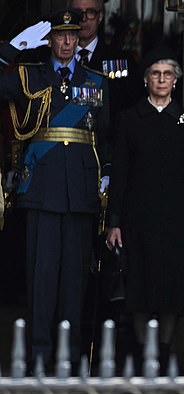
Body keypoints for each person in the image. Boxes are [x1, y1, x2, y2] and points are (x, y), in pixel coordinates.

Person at [0, 10, 111, 363]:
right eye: (60, 36)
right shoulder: (28, 75)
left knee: (75, 282)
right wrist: (12, 48)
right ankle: (39, 356)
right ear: (49, 40)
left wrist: (105, 174)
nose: (66, 42)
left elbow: (105, 136)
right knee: (42, 279)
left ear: (79, 38)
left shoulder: (96, 80)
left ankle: (69, 358)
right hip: (43, 189)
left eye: (72, 35)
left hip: (80, 190)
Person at [105, 46, 184, 358]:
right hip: (138, 220)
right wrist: (114, 222)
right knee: (138, 291)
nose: (161, 80)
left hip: (177, 221)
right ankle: (139, 358)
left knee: (171, 293)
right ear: (146, 79)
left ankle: (162, 358)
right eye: (155, 74)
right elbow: (119, 174)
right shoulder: (129, 120)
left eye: (167, 74)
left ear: (176, 80)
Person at [68, 0, 136, 116]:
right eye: (78, 12)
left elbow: (130, 108)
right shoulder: (56, 59)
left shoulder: (119, 59)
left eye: (90, 12)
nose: (84, 19)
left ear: (100, 17)